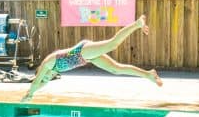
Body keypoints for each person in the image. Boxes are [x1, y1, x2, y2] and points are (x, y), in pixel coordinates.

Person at [21, 15, 163, 102]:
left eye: (45, 78)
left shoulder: (47, 63)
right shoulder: (50, 72)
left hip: (81, 51)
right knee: (116, 69)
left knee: (113, 43)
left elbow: (35, 83)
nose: (48, 79)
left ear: (41, 72)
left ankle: (137, 23)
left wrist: (28, 95)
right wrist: (35, 91)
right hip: (85, 58)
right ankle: (148, 74)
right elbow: (40, 84)